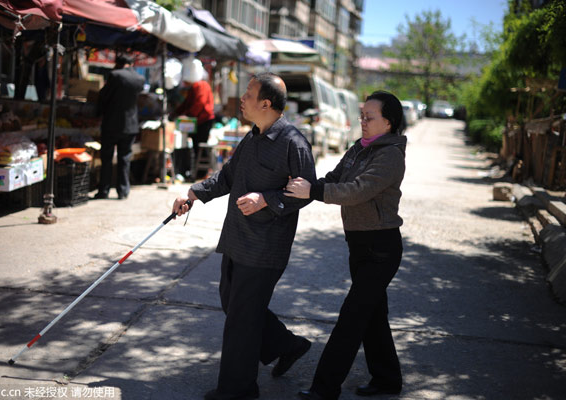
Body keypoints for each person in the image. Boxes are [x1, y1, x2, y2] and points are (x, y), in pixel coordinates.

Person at [172, 72, 317, 400]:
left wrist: (266, 199)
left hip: (265, 247)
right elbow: (227, 177)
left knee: (241, 319)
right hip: (237, 239)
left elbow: (306, 192)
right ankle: (287, 345)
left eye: (248, 94)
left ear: (266, 103)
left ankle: (238, 390)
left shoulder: (293, 143)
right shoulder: (252, 137)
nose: (242, 99)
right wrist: (193, 194)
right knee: (233, 303)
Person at [285, 91, 407, 400]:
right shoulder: (359, 148)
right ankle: (387, 379)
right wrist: (299, 186)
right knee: (373, 316)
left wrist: (312, 191)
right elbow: (333, 178)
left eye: (370, 118)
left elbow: (356, 191)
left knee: (352, 318)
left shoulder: (390, 155)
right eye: (362, 116)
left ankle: (324, 388)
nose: (362, 122)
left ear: (389, 122)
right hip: (360, 244)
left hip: (381, 247)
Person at [94, 54, 145, 200]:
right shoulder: (139, 78)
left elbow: (104, 96)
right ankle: (123, 191)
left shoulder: (115, 75)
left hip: (112, 124)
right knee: (125, 158)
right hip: (130, 125)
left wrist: (97, 113)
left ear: (118, 63)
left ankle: (104, 190)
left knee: (107, 158)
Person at [169, 58, 215, 179]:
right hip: (199, 120)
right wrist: (176, 113)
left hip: (204, 120)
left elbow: (199, 104)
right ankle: (196, 172)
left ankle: (201, 173)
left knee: (199, 146)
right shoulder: (195, 86)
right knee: (196, 146)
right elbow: (186, 103)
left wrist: (187, 115)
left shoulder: (201, 85)